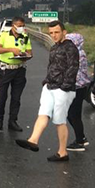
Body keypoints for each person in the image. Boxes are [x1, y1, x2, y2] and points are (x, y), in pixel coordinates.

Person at [16, 21, 79, 162]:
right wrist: (46, 81)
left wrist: (64, 86)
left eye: (57, 32)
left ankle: (62, 152)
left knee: (59, 120)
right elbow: (51, 66)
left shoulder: (70, 48)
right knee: (43, 113)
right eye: (51, 33)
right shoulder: (54, 47)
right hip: (50, 86)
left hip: (63, 89)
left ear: (64, 32)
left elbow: (73, 68)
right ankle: (33, 140)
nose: (54, 35)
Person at [0, 16, 33, 131]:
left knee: (16, 98)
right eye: (19, 26)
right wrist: (11, 49)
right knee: (2, 96)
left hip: (19, 69)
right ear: (13, 26)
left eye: (23, 26)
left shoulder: (25, 37)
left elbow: (30, 52)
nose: (22, 28)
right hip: (5, 69)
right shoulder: (4, 35)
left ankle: (13, 121)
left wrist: (25, 56)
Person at [65, 33, 92, 152]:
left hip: (76, 87)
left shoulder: (77, 55)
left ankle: (79, 141)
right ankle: (81, 137)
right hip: (79, 87)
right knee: (73, 114)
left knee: (73, 115)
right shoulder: (80, 53)